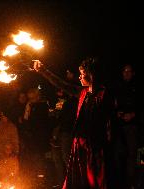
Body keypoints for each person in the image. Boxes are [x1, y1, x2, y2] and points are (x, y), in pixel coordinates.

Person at [34, 57, 115, 189]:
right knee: (78, 178)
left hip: (95, 147)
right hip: (80, 144)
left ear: (91, 75)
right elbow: (62, 84)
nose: (79, 77)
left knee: (95, 179)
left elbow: (108, 122)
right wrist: (43, 70)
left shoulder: (105, 95)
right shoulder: (82, 92)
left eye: (83, 74)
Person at [113, 64, 137, 189]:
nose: (126, 73)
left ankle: (130, 182)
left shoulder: (138, 88)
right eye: (124, 71)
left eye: (129, 71)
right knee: (118, 154)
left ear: (133, 73)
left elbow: (142, 105)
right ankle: (120, 181)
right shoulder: (118, 87)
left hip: (132, 126)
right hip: (119, 125)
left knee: (131, 154)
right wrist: (117, 112)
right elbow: (114, 103)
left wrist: (133, 114)